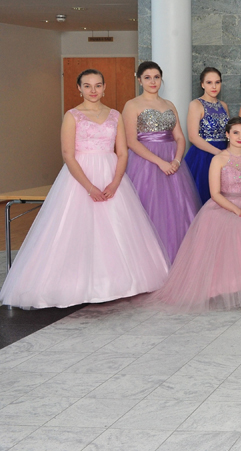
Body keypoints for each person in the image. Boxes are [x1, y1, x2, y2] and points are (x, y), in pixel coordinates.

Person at [0, 70, 169, 309]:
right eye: (87, 86)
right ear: (79, 88)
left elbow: (122, 152)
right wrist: (89, 187)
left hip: (112, 176)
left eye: (98, 85)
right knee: (75, 229)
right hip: (80, 177)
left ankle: (116, 282)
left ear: (104, 87)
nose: (93, 90)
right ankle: (75, 283)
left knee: (117, 228)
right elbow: (68, 155)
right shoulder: (72, 116)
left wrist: (115, 182)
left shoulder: (115, 115)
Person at [151, 117, 241, 312]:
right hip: (224, 206)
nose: (240, 137)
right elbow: (215, 193)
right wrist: (237, 210)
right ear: (227, 134)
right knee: (232, 233)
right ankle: (229, 286)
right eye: (236, 133)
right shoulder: (218, 159)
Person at [123, 61, 200, 264]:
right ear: (139, 80)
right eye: (147, 77)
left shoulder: (169, 105)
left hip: (173, 162)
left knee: (176, 211)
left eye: (156, 77)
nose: (153, 81)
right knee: (149, 209)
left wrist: (176, 160)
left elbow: (180, 137)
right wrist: (160, 162)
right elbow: (131, 141)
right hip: (145, 163)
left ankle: (178, 260)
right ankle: (150, 262)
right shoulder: (132, 105)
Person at [185, 67, 230, 204]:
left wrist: (229, 153)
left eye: (217, 82)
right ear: (202, 84)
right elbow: (193, 137)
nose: (214, 86)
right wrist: (219, 153)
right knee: (205, 196)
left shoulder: (223, 105)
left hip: (224, 152)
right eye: (209, 82)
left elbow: (228, 133)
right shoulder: (196, 104)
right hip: (203, 156)